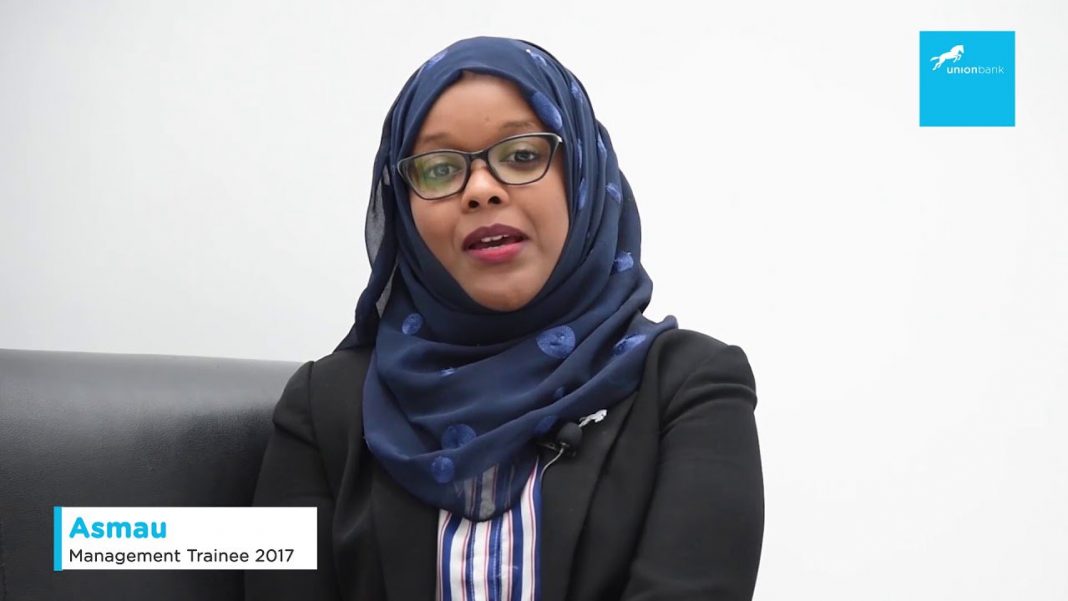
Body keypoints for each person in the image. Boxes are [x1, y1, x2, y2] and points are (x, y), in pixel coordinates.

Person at [245, 36, 763, 601]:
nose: (481, 191)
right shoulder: (324, 409)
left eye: (521, 156)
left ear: (582, 175)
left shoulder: (690, 388)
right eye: (439, 168)